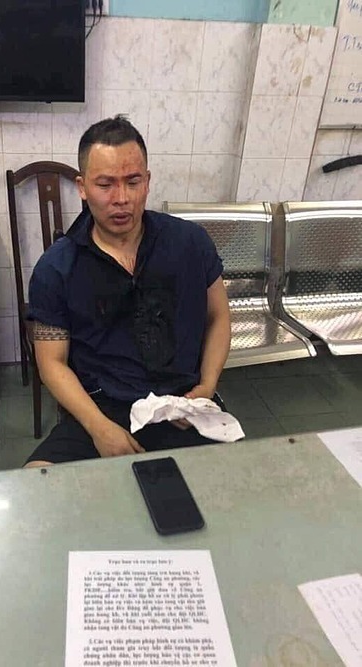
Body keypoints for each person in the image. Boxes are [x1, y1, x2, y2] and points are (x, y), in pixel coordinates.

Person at [24, 115, 230, 467]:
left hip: (185, 403)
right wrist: (98, 427)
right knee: (36, 481)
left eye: (133, 182)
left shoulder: (190, 243)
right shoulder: (56, 268)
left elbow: (219, 316)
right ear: (82, 187)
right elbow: (52, 363)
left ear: (147, 182)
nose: (121, 198)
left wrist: (207, 385)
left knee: (241, 485)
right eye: (105, 184)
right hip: (102, 408)